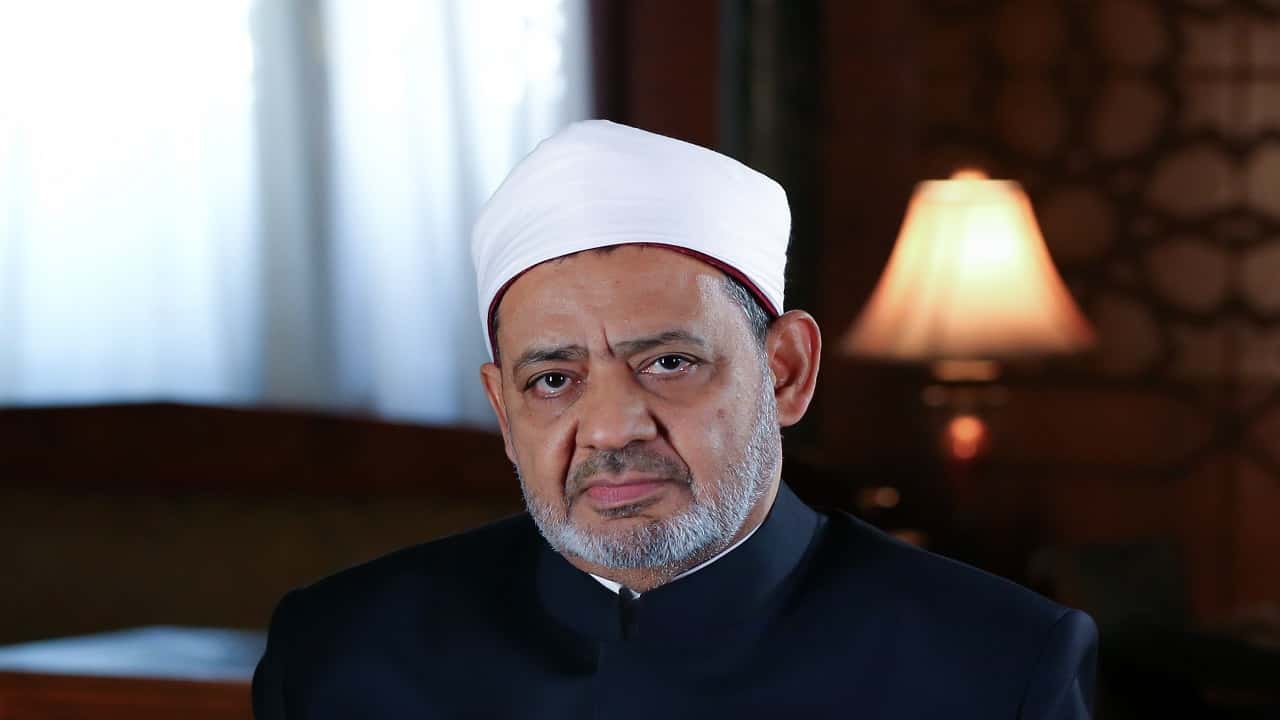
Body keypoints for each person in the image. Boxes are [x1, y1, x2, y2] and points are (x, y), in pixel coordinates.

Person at [252, 120, 1097, 718]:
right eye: (554, 379)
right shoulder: (342, 651)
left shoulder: (994, 663)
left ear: (787, 372)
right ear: (504, 412)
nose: (612, 428)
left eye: (667, 364)